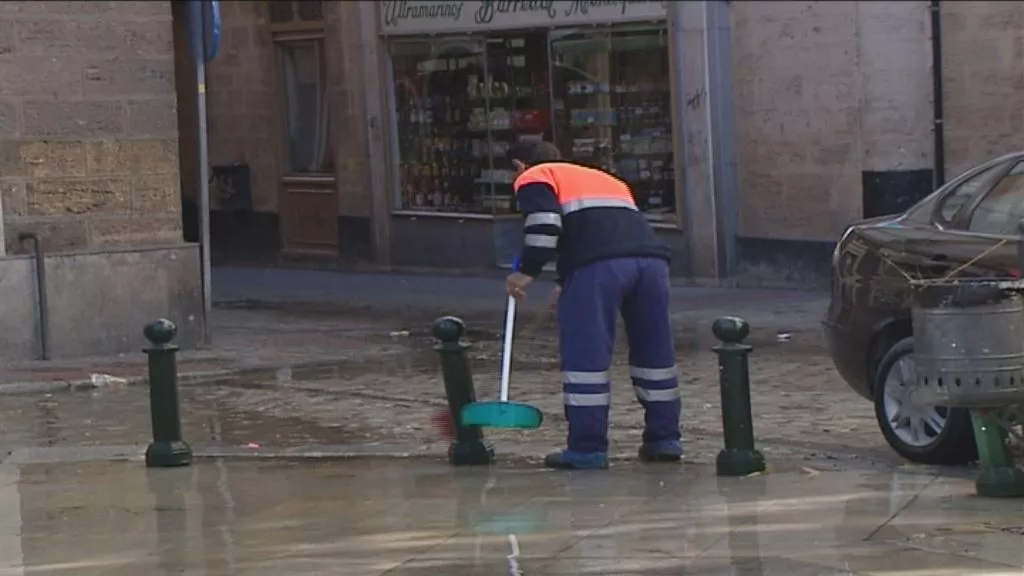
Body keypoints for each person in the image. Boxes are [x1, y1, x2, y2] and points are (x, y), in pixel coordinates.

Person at [504, 139, 682, 470]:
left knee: (586, 353)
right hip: (652, 263)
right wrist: (564, 280)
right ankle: (665, 439)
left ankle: (587, 448)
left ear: (518, 165)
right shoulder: (603, 178)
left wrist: (525, 273)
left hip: (599, 267)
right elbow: (602, 229)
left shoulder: (534, 176)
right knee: (654, 352)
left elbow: (544, 225)